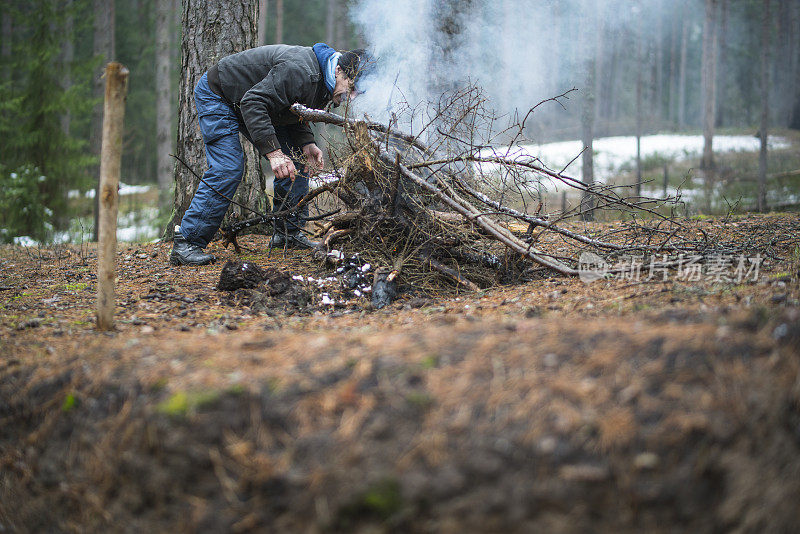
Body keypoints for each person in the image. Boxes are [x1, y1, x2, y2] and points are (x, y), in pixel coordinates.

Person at [170, 43, 367, 266]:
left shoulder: (324, 79)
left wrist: (306, 142)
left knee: (298, 160)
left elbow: (292, 108)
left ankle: (287, 235)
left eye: (355, 94)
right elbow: (253, 102)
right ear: (340, 70)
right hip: (221, 94)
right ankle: (187, 242)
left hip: (255, 103)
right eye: (350, 88)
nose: (350, 97)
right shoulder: (302, 71)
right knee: (228, 167)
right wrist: (274, 153)